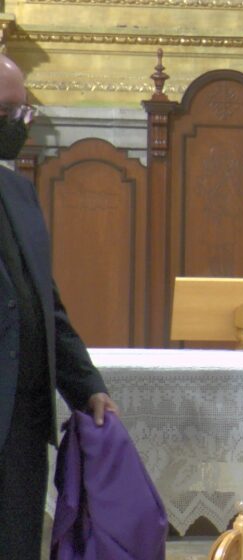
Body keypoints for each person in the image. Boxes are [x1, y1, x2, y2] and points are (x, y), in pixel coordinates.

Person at [0, 54, 118, 558]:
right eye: (7, 112)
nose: (18, 124)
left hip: (21, 425)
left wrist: (86, 387)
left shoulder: (19, 193)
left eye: (23, 111)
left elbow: (44, 306)